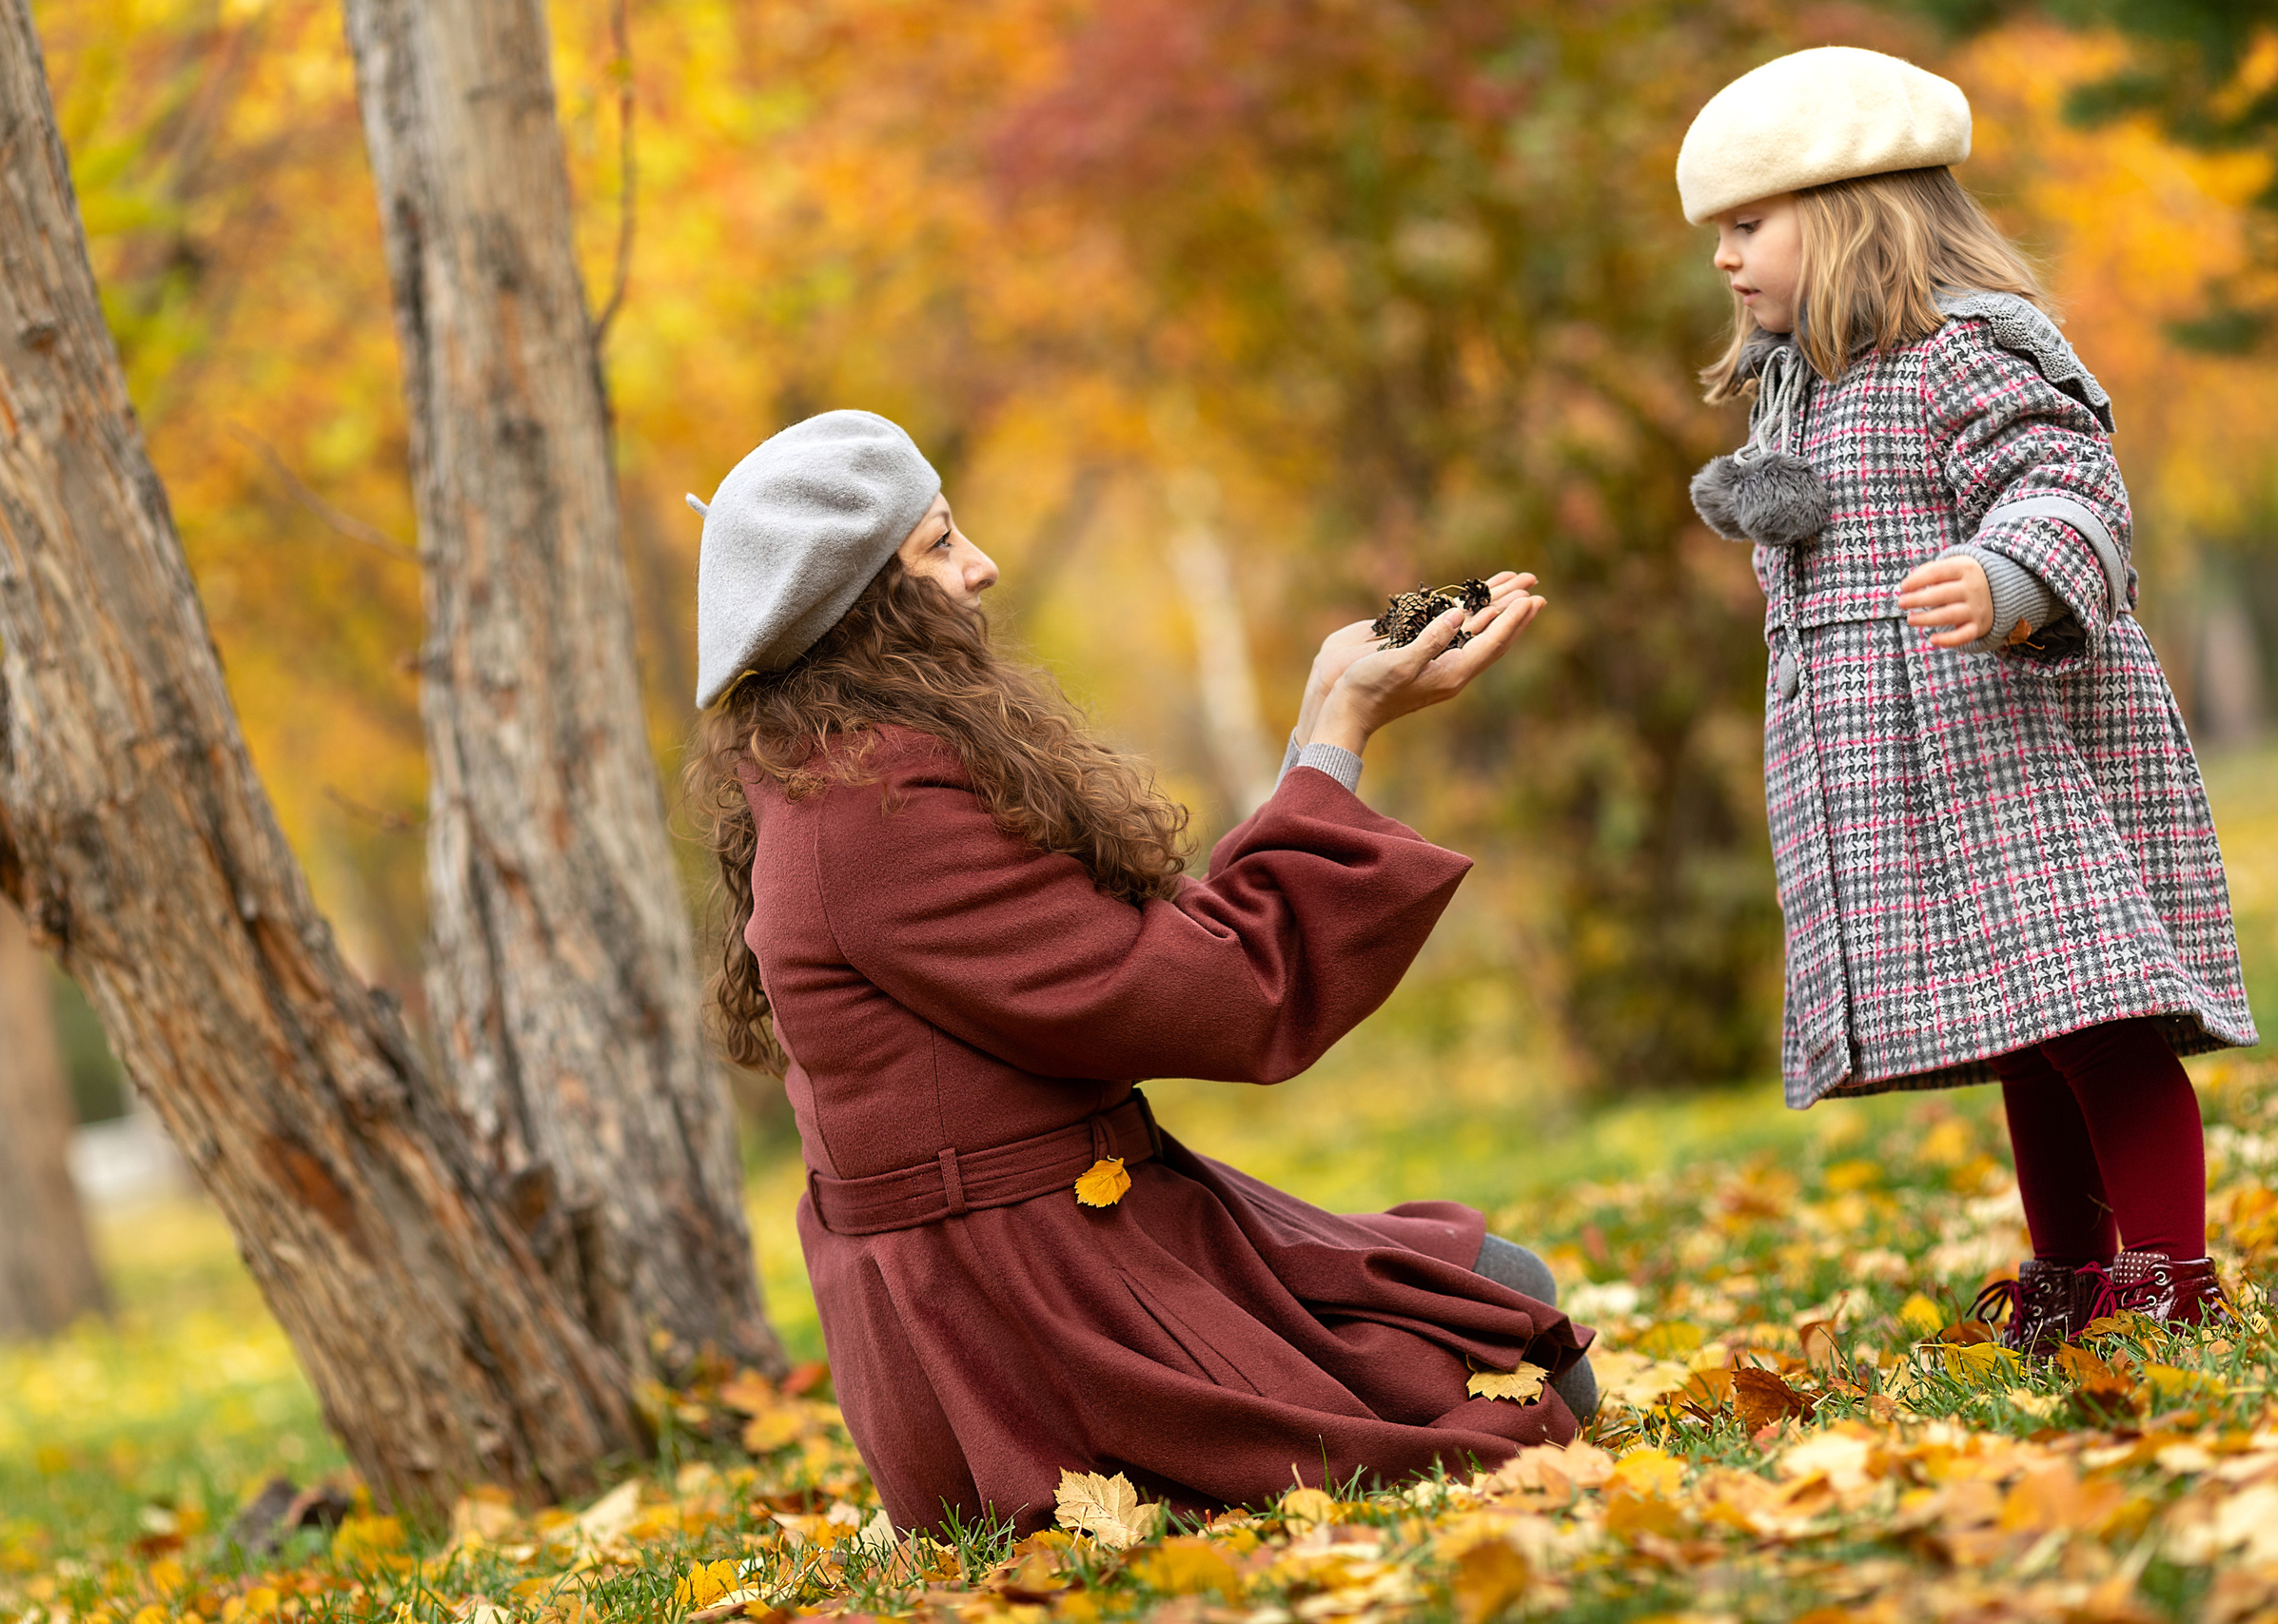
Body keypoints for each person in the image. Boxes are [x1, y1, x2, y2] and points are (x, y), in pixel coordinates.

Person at [682, 410, 1595, 1534]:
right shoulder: (875, 811)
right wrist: (1345, 732)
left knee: (1503, 1297)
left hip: (1063, 1253)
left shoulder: (850, 771)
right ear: (862, 605)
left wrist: (1321, 713)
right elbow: (1226, 1000)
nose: (982, 567)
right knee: (1514, 1350)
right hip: (1022, 1327)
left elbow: (1156, 964)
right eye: (937, 546)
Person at [1674, 49, 2255, 1356]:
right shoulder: (1805, 392)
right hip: (1906, 766)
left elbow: (2070, 487)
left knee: (2092, 1008)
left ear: (1852, 212)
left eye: (1749, 225)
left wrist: (2010, 574)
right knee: (2025, 1027)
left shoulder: (1966, 353)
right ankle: (2072, 1273)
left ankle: (2170, 1269)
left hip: (2014, 742)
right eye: (1719, 232)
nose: (1725, 257)